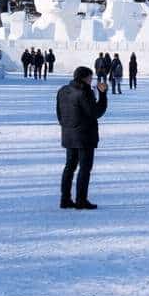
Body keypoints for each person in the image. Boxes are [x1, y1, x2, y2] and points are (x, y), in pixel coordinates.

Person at [56, 65, 109, 209]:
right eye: (90, 78)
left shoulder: (62, 91)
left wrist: (67, 126)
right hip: (84, 136)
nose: (91, 80)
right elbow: (95, 112)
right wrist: (103, 94)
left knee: (69, 167)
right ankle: (81, 200)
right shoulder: (84, 92)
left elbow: (59, 114)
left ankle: (65, 199)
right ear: (84, 78)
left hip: (68, 134)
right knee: (85, 168)